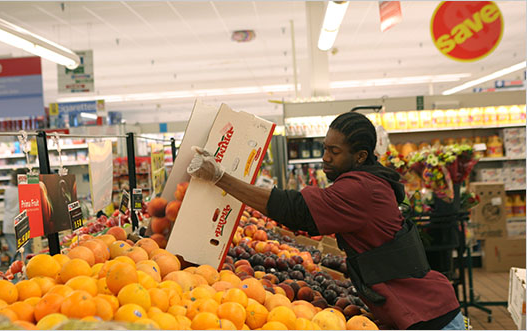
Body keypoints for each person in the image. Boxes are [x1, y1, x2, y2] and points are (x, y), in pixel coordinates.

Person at [186, 111, 464, 330]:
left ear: (360, 156)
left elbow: (294, 210)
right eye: (325, 148)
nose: (325, 157)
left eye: (335, 151)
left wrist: (220, 178)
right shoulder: (370, 179)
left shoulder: (360, 189)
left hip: (428, 317)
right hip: (419, 310)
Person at [2, 169, 31, 258]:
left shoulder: (8, 191)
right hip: (23, 225)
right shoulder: (28, 190)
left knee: (15, 254)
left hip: (9, 225)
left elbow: (6, 205)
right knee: (25, 253)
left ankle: (14, 270)